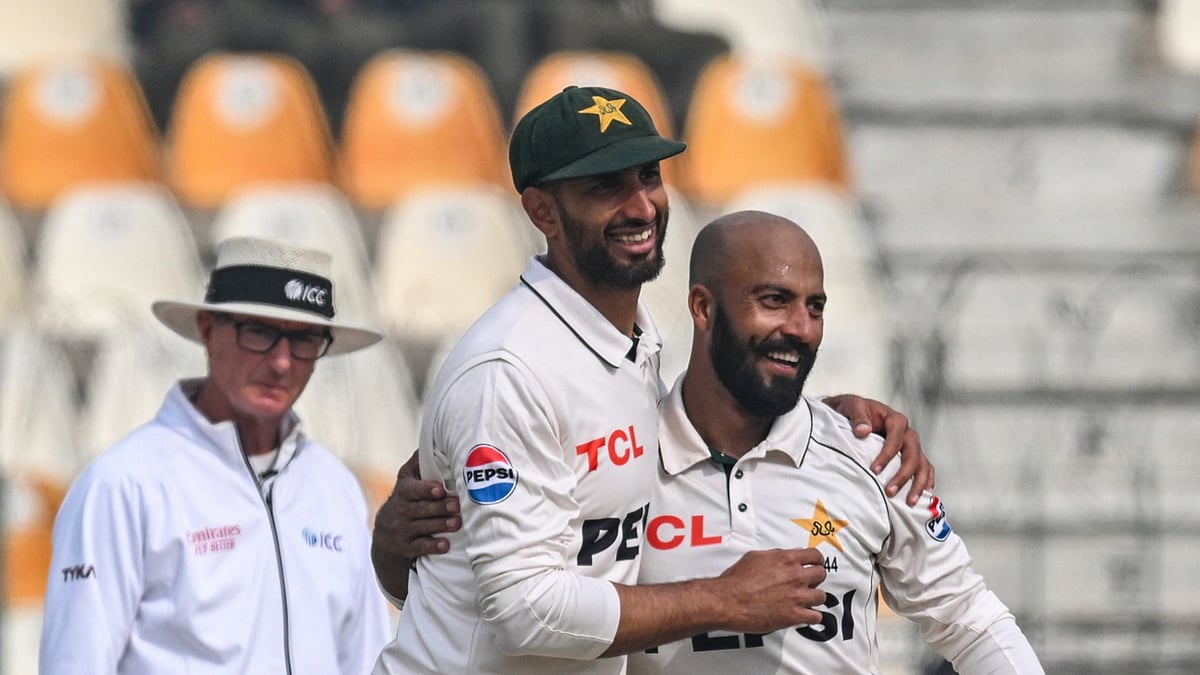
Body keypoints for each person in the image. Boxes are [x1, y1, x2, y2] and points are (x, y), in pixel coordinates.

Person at [370, 85, 933, 675]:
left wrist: (826, 417)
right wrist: (722, 599)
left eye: (647, 175)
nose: (641, 207)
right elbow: (522, 612)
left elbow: (444, 567)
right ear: (542, 212)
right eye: (604, 187)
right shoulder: (508, 371)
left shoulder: (629, 343)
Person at [628, 211, 1043, 673]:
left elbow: (971, 621)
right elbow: (551, 612)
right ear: (704, 308)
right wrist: (717, 601)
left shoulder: (873, 453)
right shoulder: (621, 460)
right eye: (774, 300)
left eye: (815, 307)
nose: (802, 328)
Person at [39, 237, 391, 674]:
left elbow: (367, 659)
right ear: (208, 329)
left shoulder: (335, 487)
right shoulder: (122, 483)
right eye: (259, 331)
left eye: (304, 339)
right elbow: (76, 663)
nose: (282, 361)